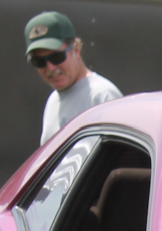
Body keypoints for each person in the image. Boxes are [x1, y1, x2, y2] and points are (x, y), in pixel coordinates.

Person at [26, 11, 121, 146]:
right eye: (39, 61)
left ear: (76, 50)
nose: (50, 67)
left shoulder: (102, 96)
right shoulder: (53, 100)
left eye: (56, 57)